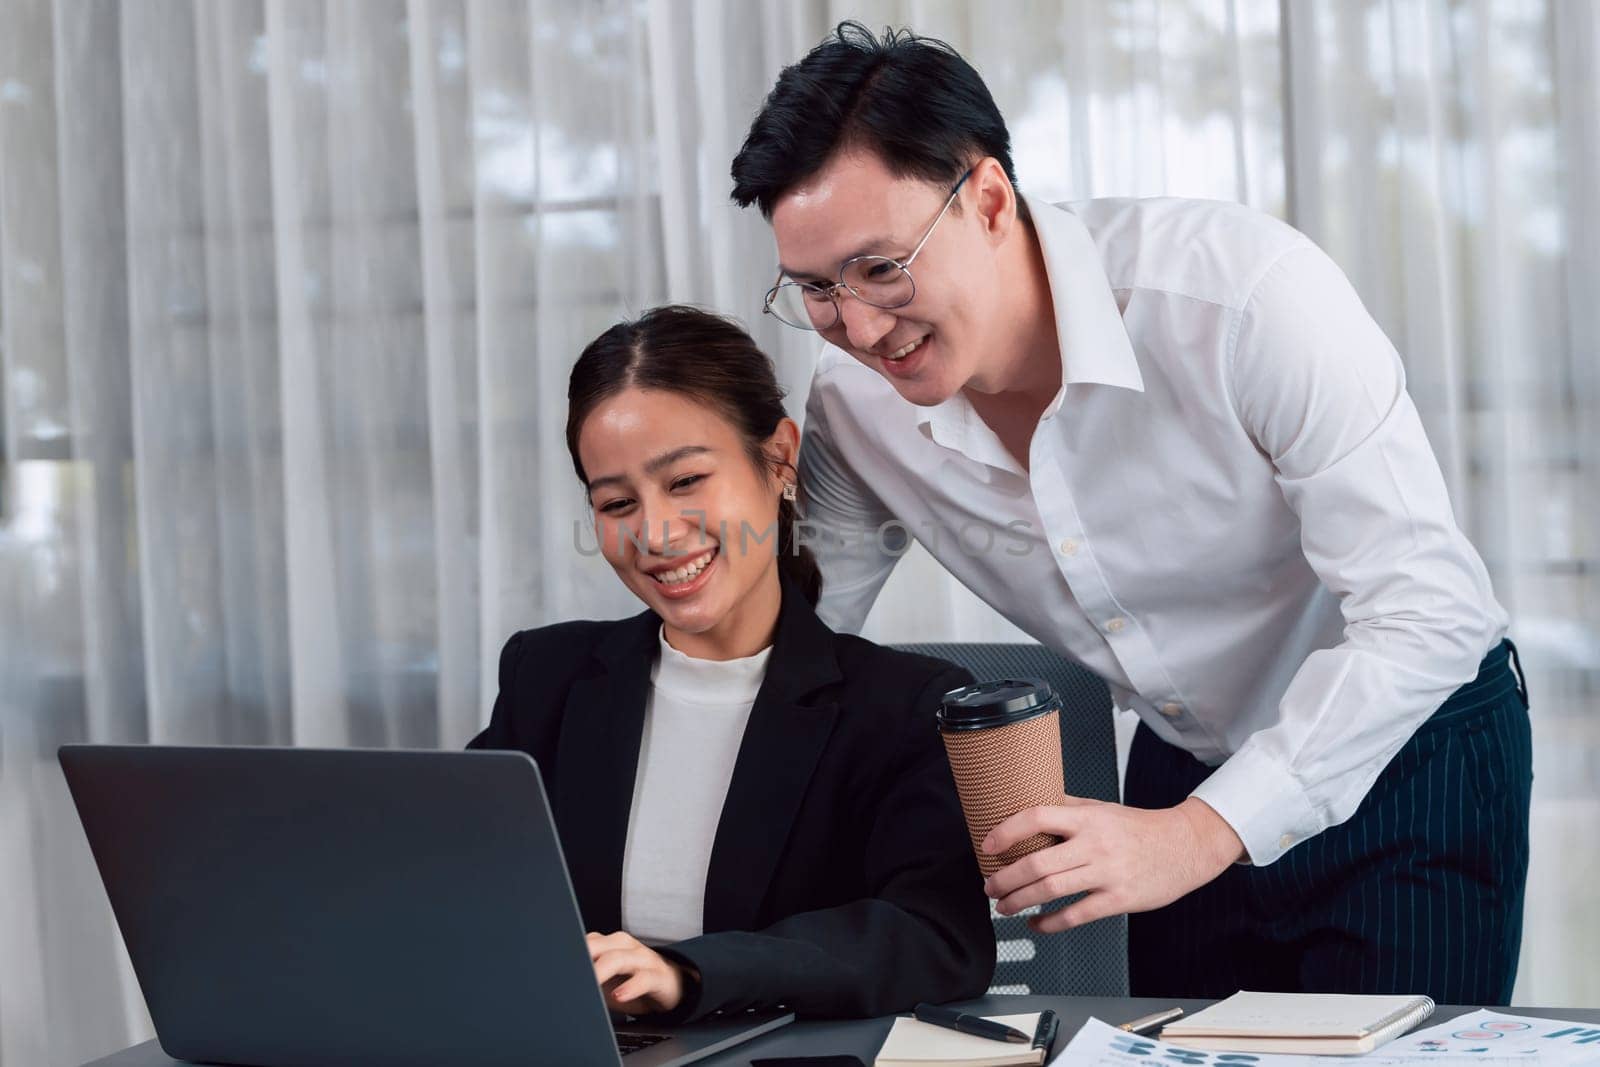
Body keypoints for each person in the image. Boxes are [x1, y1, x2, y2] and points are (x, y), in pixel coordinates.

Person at [729, 23, 1532, 1003]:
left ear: (985, 198)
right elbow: (804, 652)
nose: (855, 326)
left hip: (1409, 742)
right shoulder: (853, 403)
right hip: (1180, 755)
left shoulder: (1242, 300)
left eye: (879, 267)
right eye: (814, 287)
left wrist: (1197, 833)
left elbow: (1429, 611)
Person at [467, 304, 995, 1023]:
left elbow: (935, 938)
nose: (654, 533)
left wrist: (688, 973)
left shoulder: (902, 708)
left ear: (779, 459)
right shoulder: (545, 676)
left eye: (685, 481)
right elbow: (458, 883)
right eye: (616, 501)